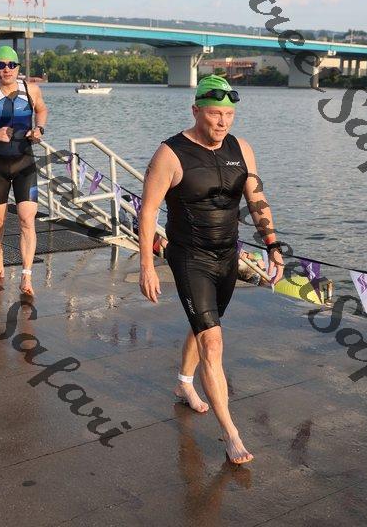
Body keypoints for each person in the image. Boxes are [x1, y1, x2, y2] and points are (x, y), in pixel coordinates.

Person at [139, 74, 284, 464]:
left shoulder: (242, 149)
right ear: (196, 110)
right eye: (215, 113)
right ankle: (231, 434)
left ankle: (184, 383)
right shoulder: (171, 153)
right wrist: (147, 265)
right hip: (190, 258)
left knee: (204, 324)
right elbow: (148, 211)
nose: (223, 122)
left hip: (227, 256)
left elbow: (257, 199)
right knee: (213, 341)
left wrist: (273, 245)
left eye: (229, 115)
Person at [0, 45, 48, 296]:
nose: (7, 69)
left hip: (25, 162)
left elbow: (42, 109)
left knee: (27, 219)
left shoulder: (31, 89)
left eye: (11, 65)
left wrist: (39, 129)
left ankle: (26, 275)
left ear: (18, 68)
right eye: (1, 65)